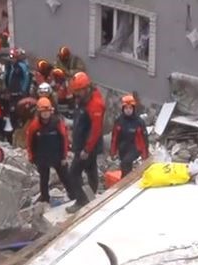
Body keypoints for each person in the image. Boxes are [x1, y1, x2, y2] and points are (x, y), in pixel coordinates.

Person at [67, 72, 106, 213]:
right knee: (91, 169)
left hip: (88, 146)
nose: (76, 94)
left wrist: (87, 149)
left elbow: (95, 130)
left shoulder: (95, 105)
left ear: (86, 88)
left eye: (78, 91)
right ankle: (91, 196)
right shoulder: (84, 99)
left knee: (73, 173)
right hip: (83, 143)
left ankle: (81, 200)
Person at [26, 97, 75, 204]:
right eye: (43, 111)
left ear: (51, 111)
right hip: (42, 157)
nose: (45, 114)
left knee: (65, 176)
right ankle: (45, 199)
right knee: (44, 179)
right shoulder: (34, 125)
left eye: (47, 111)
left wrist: (64, 156)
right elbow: (30, 142)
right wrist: (31, 156)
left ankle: (73, 195)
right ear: (39, 112)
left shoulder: (57, 122)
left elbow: (64, 139)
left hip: (57, 155)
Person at [111, 94, 149, 175]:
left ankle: (125, 180)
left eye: (130, 108)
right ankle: (127, 180)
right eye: (126, 108)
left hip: (135, 148)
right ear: (123, 109)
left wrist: (145, 155)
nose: (128, 110)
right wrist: (113, 152)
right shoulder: (119, 121)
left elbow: (144, 139)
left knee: (125, 163)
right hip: (123, 148)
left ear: (133, 109)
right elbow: (115, 138)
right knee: (126, 168)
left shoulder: (139, 122)